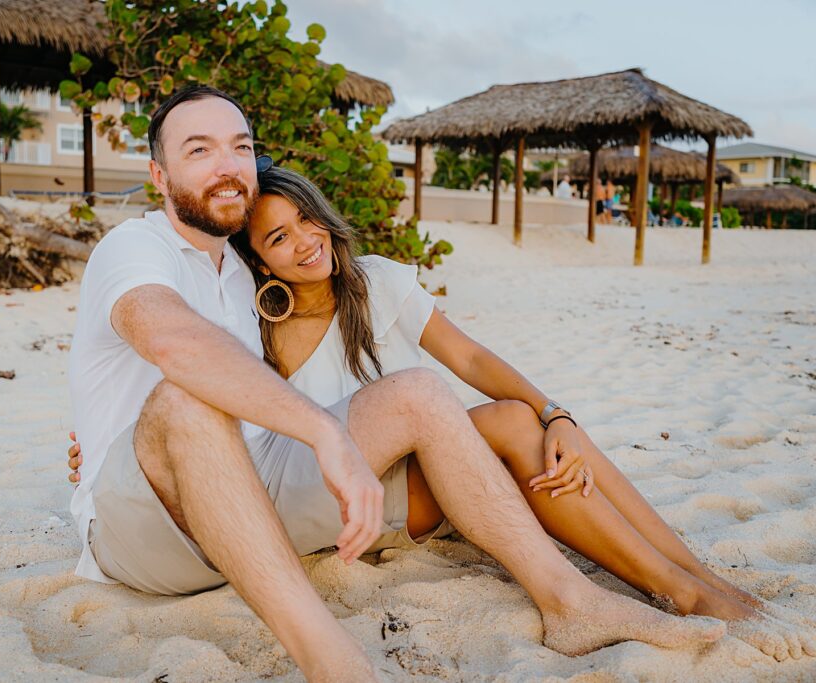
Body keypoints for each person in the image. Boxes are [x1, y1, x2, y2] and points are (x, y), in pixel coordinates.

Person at [65, 84, 777, 680]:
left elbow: (457, 360)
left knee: (420, 390)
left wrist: (551, 408)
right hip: (146, 528)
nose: (227, 164)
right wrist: (322, 433)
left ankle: (571, 602)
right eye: (199, 149)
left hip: (254, 495)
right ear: (158, 176)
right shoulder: (136, 246)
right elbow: (169, 341)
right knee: (189, 395)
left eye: (241, 146)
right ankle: (336, 663)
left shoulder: (243, 276)